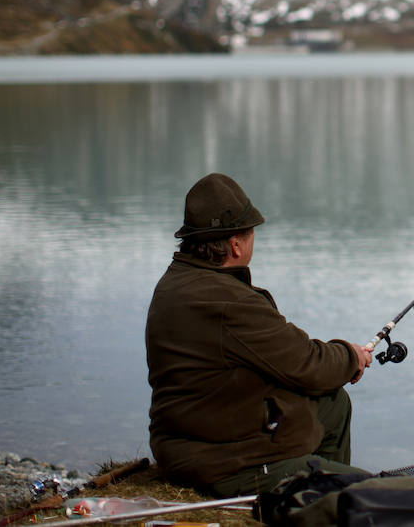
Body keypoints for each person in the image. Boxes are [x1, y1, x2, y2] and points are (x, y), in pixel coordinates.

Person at [145, 172, 373, 496]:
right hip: (222, 460)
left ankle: (314, 500)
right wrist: (352, 356)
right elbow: (307, 364)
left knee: (333, 405)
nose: (254, 240)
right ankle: (323, 495)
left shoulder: (178, 281)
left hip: (192, 435)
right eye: (251, 233)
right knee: (369, 491)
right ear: (236, 245)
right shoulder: (228, 303)